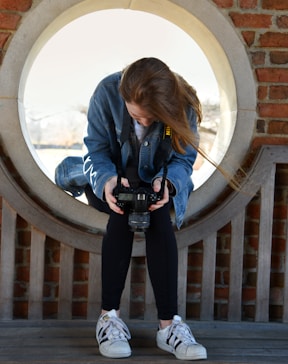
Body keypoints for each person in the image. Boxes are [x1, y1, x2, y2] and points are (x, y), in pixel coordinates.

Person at [83, 57, 207, 361]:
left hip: (156, 184)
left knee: (159, 217)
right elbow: (95, 151)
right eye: (138, 117)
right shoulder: (105, 93)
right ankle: (109, 318)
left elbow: (183, 160)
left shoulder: (183, 104)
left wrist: (170, 185)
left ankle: (169, 327)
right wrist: (109, 181)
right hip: (110, 178)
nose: (146, 124)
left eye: (154, 118)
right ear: (124, 97)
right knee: (120, 212)